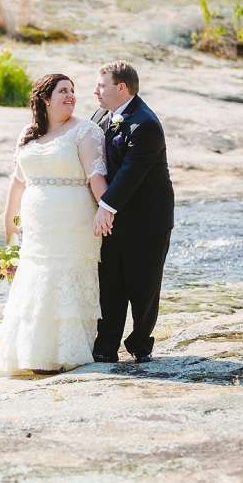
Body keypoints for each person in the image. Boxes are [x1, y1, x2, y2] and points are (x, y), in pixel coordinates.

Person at [0, 74, 110, 376]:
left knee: (64, 278)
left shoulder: (86, 131)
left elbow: (96, 178)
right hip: (37, 227)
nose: (70, 96)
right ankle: (31, 352)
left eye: (73, 91)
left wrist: (108, 209)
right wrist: (8, 222)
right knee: (35, 280)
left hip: (74, 224)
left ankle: (65, 354)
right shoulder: (29, 133)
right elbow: (18, 181)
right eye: (63, 91)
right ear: (45, 98)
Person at [90, 61, 174, 364]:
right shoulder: (101, 115)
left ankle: (141, 343)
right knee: (109, 282)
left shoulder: (145, 123)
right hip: (108, 217)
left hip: (146, 222)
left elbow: (130, 172)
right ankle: (105, 346)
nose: (96, 91)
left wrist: (105, 207)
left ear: (121, 87)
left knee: (143, 287)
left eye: (101, 85)